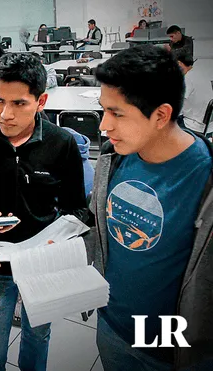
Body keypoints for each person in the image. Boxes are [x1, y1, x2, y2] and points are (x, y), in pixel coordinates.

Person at [0, 53, 88, 371]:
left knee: (38, 339)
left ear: (41, 101)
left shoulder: (61, 143)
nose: (5, 114)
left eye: (19, 103)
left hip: (43, 263)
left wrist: (61, 239)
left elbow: (77, 207)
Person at [83, 44, 213, 371]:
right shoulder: (113, 161)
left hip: (173, 346)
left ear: (161, 115)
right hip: (111, 325)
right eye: (103, 110)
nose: (103, 127)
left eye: (117, 113)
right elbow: (98, 227)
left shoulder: (205, 177)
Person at [175, 49, 210, 134]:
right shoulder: (202, 74)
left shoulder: (188, 78)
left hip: (194, 125)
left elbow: (176, 102)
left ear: (179, 64)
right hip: (209, 125)